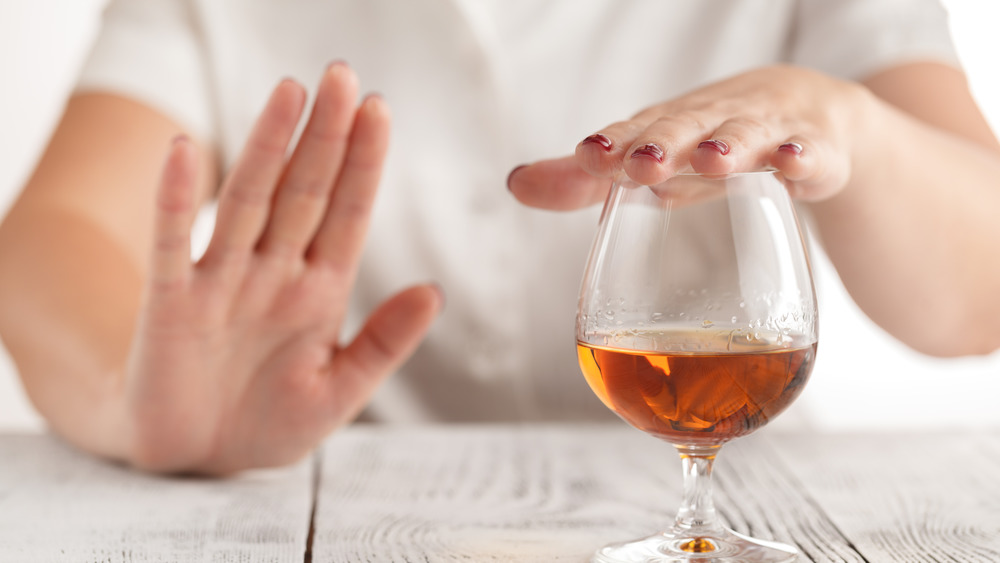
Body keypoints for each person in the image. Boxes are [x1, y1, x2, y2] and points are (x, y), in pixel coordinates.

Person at [0, 0, 998, 474]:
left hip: (747, 499)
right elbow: (57, 233)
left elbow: (976, 294)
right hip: (349, 508)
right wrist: (129, 398)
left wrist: (847, 124)